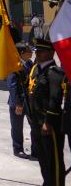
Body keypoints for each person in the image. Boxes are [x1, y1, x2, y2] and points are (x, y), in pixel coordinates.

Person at [26, 38, 67, 186]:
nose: (38, 54)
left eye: (42, 51)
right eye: (37, 51)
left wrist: (48, 122)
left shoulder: (55, 72)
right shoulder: (36, 69)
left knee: (53, 160)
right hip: (36, 122)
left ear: (51, 53)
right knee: (43, 159)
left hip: (49, 125)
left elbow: (55, 99)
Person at [7, 42, 35, 159]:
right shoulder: (14, 66)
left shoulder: (29, 63)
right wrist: (18, 103)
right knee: (17, 127)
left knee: (34, 125)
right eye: (29, 51)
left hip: (29, 102)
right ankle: (18, 149)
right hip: (18, 102)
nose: (32, 52)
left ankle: (36, 150)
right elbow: (12, 86)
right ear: (22, 53)